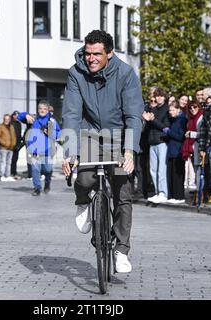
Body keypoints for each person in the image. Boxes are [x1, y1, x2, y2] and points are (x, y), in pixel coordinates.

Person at [61, 30, 144, 273]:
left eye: (97, 54)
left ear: (110, 53)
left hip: (118, 137)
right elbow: (72, 114)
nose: (91, 58)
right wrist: (70, 151)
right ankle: (82, 202)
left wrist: (129, 151)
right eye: (87, 53)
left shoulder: (126, 73)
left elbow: (133, 115)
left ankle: (121, 249)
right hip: (90, 135)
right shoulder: (76, 73)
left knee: (122, 191)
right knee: (85, 179)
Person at [18, 101, 60, 195]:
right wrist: (26, 115)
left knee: (48, 170)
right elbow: (18, 116)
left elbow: (58, 134)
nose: (42, 110)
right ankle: (37, 188)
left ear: (48, 110)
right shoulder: (33, 118)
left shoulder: (52, 121)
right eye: (40, 108)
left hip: (47, 150)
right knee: (35, 169)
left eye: (44, 109)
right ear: (38, 110)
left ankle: (47, 184)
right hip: (35, 150)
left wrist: (50, 133)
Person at [0, 114, 17, 181]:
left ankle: (7, 175)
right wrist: (4, 143)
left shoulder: (11, 127)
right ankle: (2, 175)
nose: (7, 120)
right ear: (3, 119)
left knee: (9, 162)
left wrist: (13, 144)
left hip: (11, 147)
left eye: (8, 119)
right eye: (5, 119)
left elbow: (14, 136)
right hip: (3, 147)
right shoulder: (0, 126)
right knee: (3, 162)